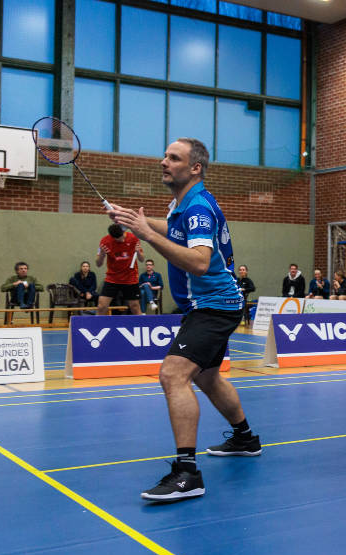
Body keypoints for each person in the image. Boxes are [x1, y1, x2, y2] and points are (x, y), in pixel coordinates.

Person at [108, 137, 260, 502]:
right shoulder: (184, 204)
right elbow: (175, 231)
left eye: (173, 158)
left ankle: (187, 473)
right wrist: (138, 221)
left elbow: (200, 262)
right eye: (164, 155)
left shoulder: (198, 210)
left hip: (214, 304)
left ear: (195, 168)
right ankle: (245, 438)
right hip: (211, 304)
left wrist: (145, 234)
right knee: (207, 377)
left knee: (173, 374)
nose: (164, 161)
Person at [96, 223, 144, 315]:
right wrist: (102, 254)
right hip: (112, 278)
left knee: (135, 307)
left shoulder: (133, 238)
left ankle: (141, 323)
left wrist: (138, 252)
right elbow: (98, 264)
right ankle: (97, 324)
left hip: (130, 278)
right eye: (118, 239)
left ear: (123, 231)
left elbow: (142, 259)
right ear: (112, 237)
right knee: (102, 306)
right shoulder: (105, 242)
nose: (122, 240)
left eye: (122, 237)